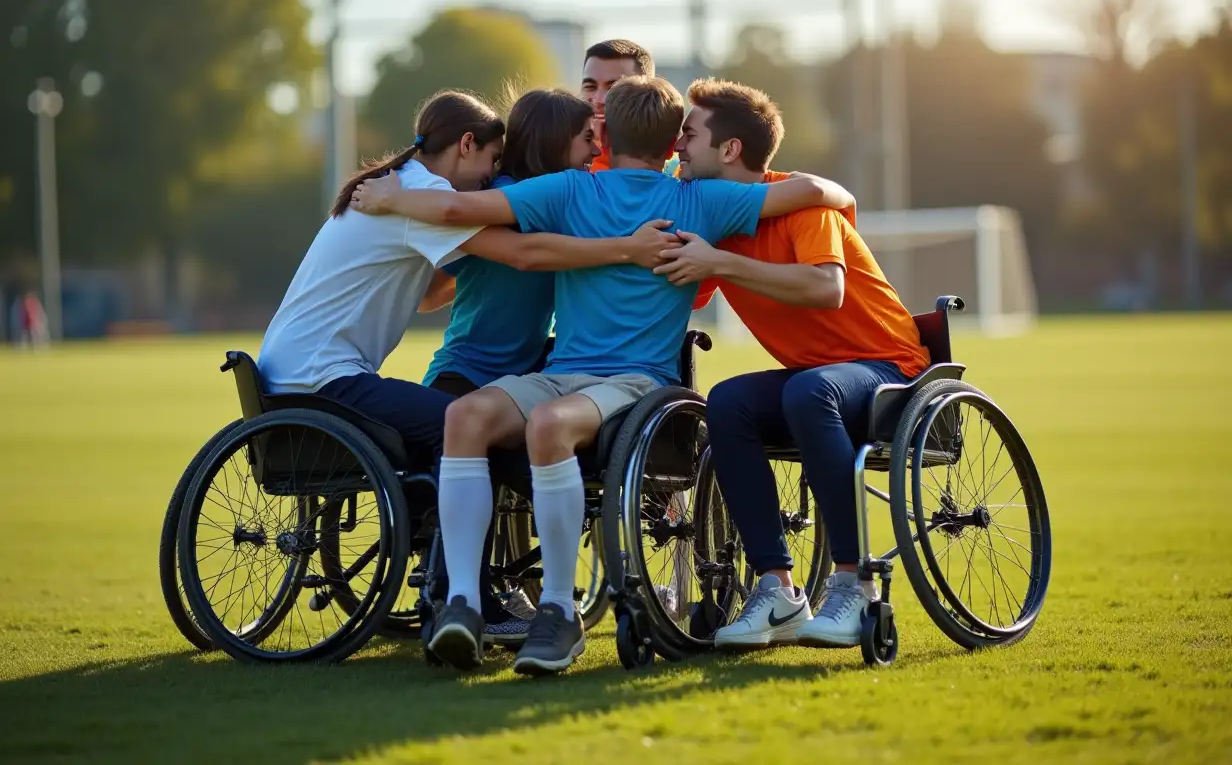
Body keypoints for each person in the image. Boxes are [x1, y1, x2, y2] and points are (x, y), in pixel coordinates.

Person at [349, 75, 855, 675]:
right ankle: (463, 604)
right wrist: (840, 194)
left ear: (606, 132)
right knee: (466, 415)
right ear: (673, 148)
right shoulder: (699, 200)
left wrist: (389, 199)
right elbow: (803, 191)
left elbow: (459, 207)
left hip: (637, 384)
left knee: (534, 423)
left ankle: (557, 612)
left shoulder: (567, 190)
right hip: (570, 374)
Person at [257, 86, 678, 487]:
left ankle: (447, 550)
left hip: (296, 368)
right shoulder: (422, 196)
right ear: (465, 145)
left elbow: (435, 292)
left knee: (469, 421)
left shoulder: (407, 185)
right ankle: (446, 563)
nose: (490, 177)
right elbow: (522, 254)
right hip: (322, 378)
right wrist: (626, 249)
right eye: (491, 159)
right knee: (464, 424)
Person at [657, 78, 930, 651]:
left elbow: (825, 289)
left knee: (809, 392)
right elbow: (678, 293)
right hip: (816, 383)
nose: (677, 144)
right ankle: (777, 588)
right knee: (727, 401)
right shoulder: (712, 216)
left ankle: (853, 585)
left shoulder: (805, 206)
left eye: (689, 132)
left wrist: (721, 264)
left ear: (730, 149)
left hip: (889, 369)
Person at [419, 88, 609, 643]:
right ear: (557, 141)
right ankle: (459, 599)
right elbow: (430, 294)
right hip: (465, 371)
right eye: (586, 138)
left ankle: (490, 596)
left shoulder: (566, 202)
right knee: (474, 456)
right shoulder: (500, 197)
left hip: (522, 377)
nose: (593, 149)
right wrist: (470, 253)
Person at [580, 39, 679, 176]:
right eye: (590, 87)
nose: (599, 99)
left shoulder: (677, 175)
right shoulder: (557, 164)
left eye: (613, 87)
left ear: (647, 89)